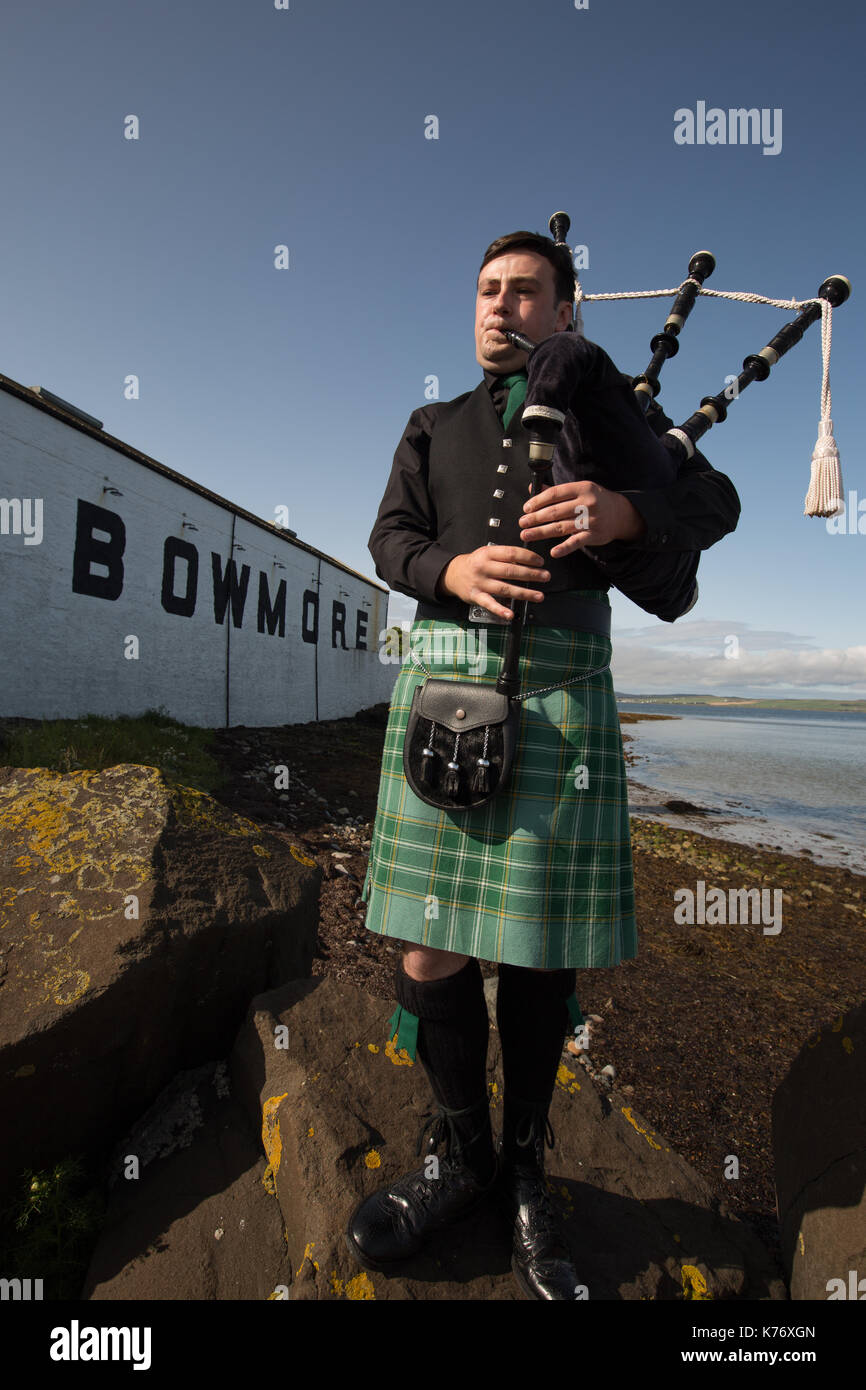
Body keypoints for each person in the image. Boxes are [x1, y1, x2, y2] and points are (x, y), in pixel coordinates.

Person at [345, 228, 740, 1300]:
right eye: (485, 289)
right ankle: (457, 1151)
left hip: (562, 693)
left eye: (524, 291)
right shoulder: (429, 424)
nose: (498, 306)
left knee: (533, 957)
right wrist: (450, 566)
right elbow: (385, 542)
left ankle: (525, 1167)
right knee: (428, 953)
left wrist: (622, 508)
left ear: (567, 311)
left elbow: (716, 505)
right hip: (442, 686)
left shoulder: (618, 414)